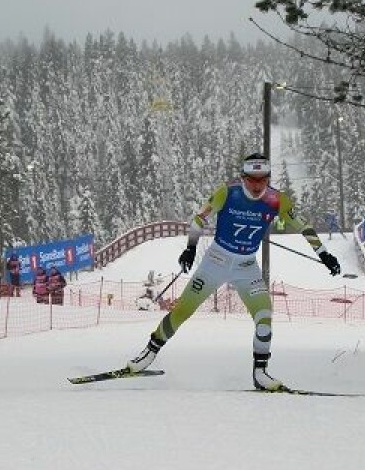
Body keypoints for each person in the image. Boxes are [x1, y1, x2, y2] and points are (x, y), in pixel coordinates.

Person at [125, 153, 340, 391]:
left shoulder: (277, 200)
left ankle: (261, 373)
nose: (258, 185)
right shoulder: (228, 193)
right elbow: (199, 219)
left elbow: (304, 226)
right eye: (252, 180)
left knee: (264, 317)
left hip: (246, 267)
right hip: (215, 261)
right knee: (183, 310)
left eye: (262, 180)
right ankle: (147, 355)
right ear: (243, 178)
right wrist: (190, 248)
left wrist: (324, 254)